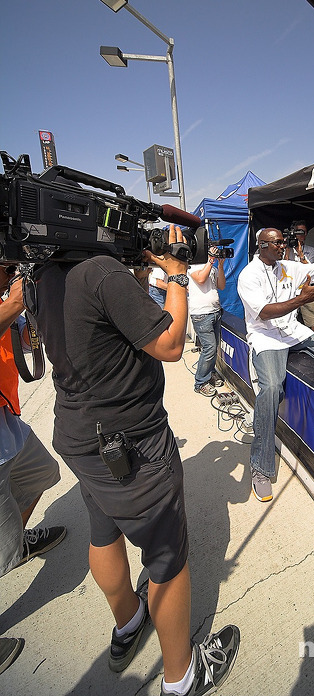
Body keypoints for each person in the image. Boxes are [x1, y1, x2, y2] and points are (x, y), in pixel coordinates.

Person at [29, 227, 240, 696]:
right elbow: (167, 343)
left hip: (81, 436)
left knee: (103, 531)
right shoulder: (101, 272)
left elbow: (99, 332)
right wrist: (179, 277)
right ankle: (181, 677)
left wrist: (142, 271)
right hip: (131, 445)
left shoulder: (43, 273)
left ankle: (127, 625)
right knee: (167, 555)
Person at [237, 228, 314, 502]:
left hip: (293, 331)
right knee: (270, 390)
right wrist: (303, 299)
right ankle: (260, 467)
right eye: (278, 243)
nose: (284, 246)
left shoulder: (287, 265)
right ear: (263, 245)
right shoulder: (249, 275)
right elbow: (265, 313)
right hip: (266, 337)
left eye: (283, 242)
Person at [1, 265, 66, 675]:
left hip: (5, 417)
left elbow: (25, 342)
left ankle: (16, 542)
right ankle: (8, 545)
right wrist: (16, 301)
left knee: (42, 473)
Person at [189, 246, 226, 397]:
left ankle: (209, 374)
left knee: (213, 347)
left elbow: (221, 285)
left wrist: (221, 266)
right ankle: (200, 382)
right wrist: (211, 261)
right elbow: (200, 279)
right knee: (209, 348)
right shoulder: (193, 265)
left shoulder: (212, 267)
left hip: (215, 312)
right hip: (201, 314)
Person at [284, 219, 314, 336]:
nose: (300, 235)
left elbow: (311, 271)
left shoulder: (310, 250)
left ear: (306, 234)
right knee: (287, 320)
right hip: (289, 290)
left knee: (313, 320)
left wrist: (301, 254)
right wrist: (287, 249)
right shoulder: (286, 249)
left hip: (305, 289)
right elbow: (281, 268)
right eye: (298, 232)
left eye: (303, 232)